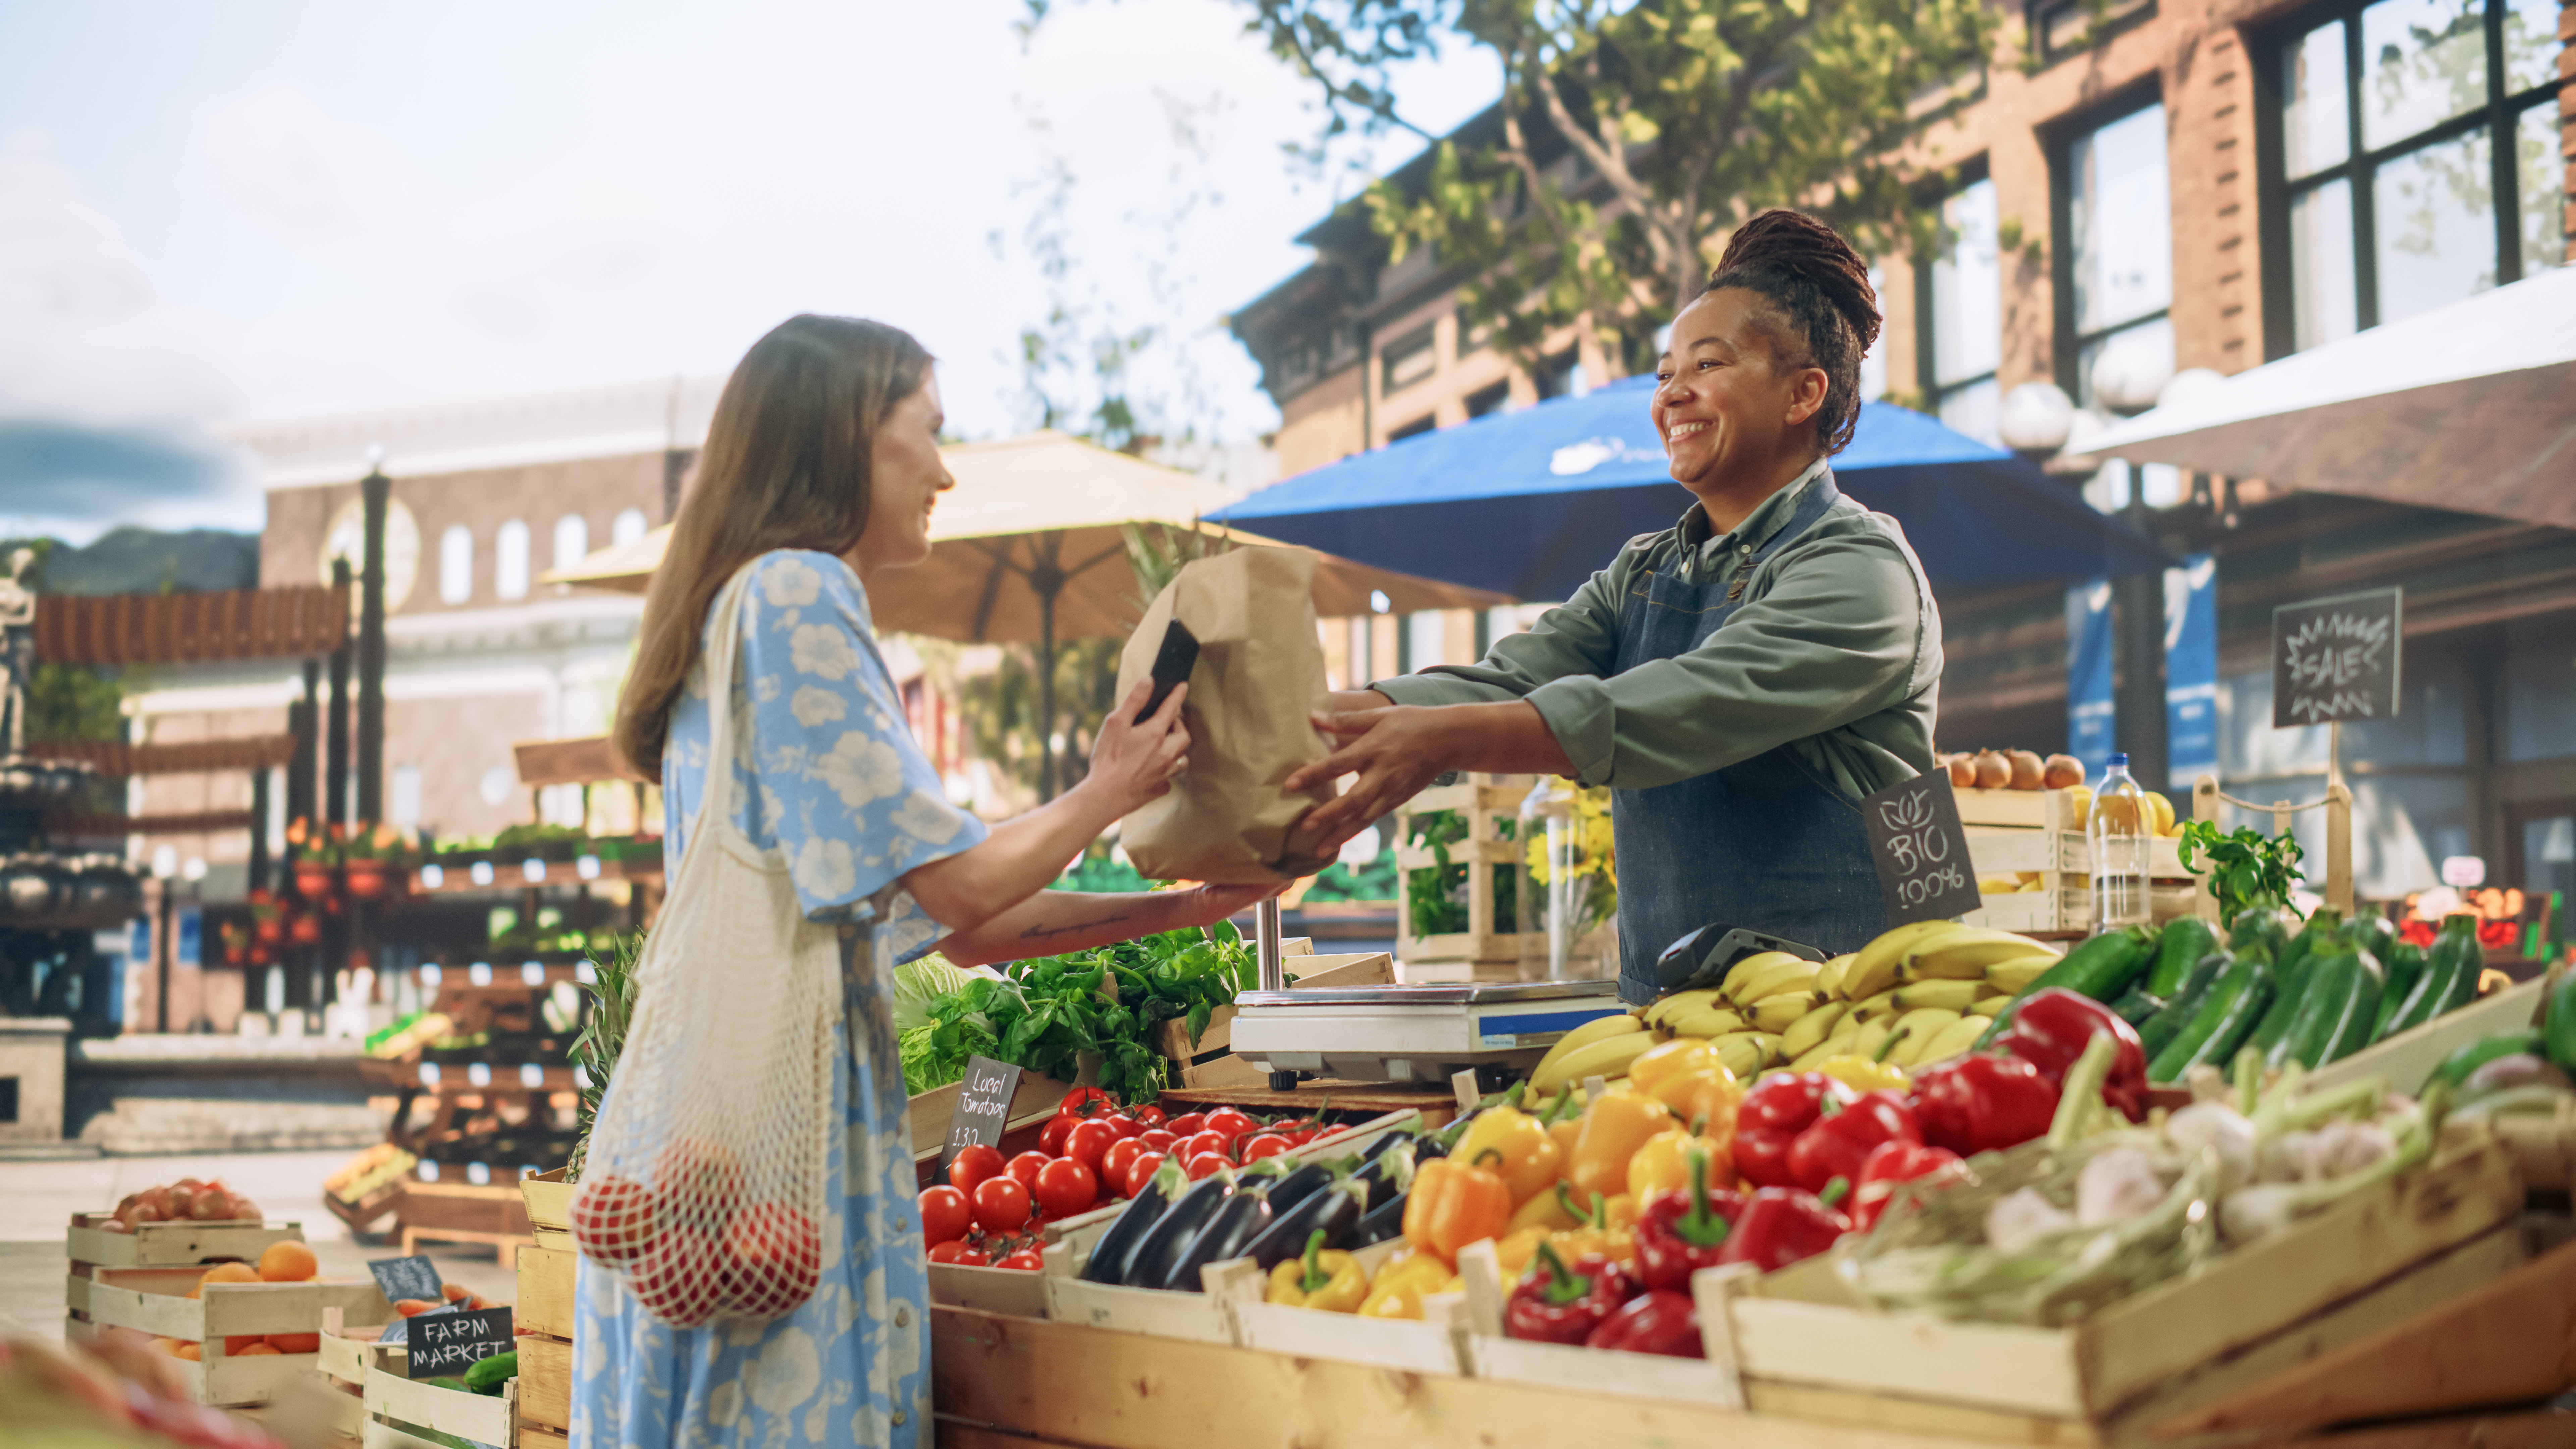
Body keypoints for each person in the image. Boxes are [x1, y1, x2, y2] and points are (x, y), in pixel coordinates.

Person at [578, 314, 1279, 1447]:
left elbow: (974, 930)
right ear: (851, 431)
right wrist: (1104, 791)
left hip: (708, 1168)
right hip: (777, 1165)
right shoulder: (800, 593)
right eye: (931, 432)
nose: (946, 470)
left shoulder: (731, 611)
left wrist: (1184, 908)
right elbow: (961, 889)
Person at [1287, 210, 1942, 1000]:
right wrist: (1326, 721)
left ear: (1805, 393)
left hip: (1858, 1026)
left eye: (1708, 363)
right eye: (1665, 374)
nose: (1673, 394)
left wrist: (1436, 740)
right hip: (1680, 1028)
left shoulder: (1863, 569)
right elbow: (1510, 678)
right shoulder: (1644, 571)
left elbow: (1686, 705)